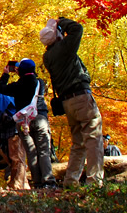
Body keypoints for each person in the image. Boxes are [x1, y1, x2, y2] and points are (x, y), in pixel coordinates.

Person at [40, 17, 103, 187]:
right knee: (93, 138)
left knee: (78, 143)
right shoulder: (64, 48)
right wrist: (61, 21)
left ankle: (70, 181)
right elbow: (77, 29)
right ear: (58, 35)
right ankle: (94, 181)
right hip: (81, 97)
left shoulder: (47, 56)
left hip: (68, 103)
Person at [0, 58, 57, 189]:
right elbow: (32, 80)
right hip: (40, 118)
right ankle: (48, 181)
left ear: (21, 71)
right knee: (43, 151)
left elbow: (1, 89)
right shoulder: (39, 82)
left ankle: (37, 182)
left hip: (24, 122)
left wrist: (6, 74)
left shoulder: (18, 85)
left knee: (31, 153)